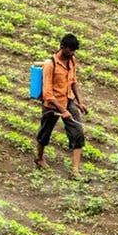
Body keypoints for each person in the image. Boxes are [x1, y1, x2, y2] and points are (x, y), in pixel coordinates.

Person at [35, 34, 88, 179]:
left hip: (68, 100)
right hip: (52, 104)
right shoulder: (50, 64)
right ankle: (39, 158)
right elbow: (47, 93)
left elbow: (73, 82)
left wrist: (80, 101)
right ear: (62, 47)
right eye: (71, 50)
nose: (73, 53)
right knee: (44, 134)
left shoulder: (72, 60)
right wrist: (62, 110)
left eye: (74, 51)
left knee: (78, 134)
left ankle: (75, 171)